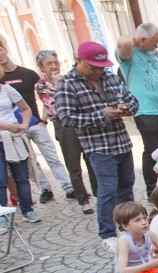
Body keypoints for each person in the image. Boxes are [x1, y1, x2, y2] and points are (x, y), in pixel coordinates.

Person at [55, 41, 139, 253]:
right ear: (79, 61)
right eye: (94, 67)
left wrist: (125, 108)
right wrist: (102, 115)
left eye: (102, 67)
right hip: (98, 146)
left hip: (121, 142)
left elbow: (133, 101)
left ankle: (128, 228)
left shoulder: (110, 76)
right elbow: (66, 118)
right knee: (108, 190)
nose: (99, 71)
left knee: (126, 187)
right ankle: (107, 233)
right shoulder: (67, 83)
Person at [0, 37, 73, 204]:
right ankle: (45, 189)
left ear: (5, 50)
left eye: (0, 50)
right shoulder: (1, 79)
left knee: (52, 157)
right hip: (14, 127)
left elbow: (44, 94)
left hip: (35, 123)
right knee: (32, 162)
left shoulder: (27, 73)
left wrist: (43, 119)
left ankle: (68, 187)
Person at [116, 23, 158, 197]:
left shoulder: (155, 54)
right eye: (154, 43)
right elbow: (124, 43)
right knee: (152, 150)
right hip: (145, 111)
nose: (157, 46)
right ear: (141, 39)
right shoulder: (129, 55)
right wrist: (137, 40)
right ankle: (152, 190)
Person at [34, 49, 95, 215]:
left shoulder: (68, 79)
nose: (54, 66)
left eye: (55, 62)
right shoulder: (41, 85)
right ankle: (83, 200)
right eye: (49, 64)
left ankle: (98, 193)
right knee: (73, 164)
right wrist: (59, 85)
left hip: (80, 122)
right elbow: (55, 108)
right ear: (42, 67)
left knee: (91, 159)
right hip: (64, 126)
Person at [0, 77, 39, 225]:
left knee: (21, 177)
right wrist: (7, 126)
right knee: (1, 179)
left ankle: (27, 210)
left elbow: (26, 108)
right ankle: (2, 215)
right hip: (5, 134)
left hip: (13, 138)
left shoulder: (7, 89)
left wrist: (25, 124)